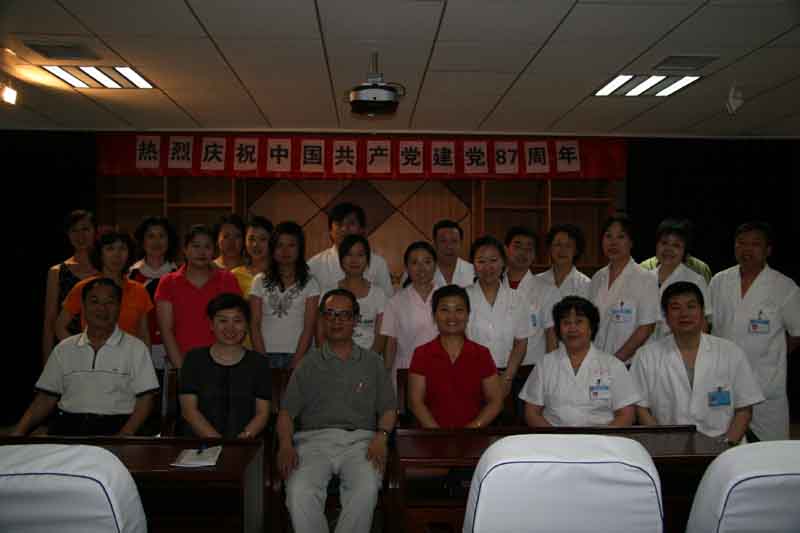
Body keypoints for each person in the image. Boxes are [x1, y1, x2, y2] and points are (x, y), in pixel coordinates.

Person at [277, 289, 396, 533]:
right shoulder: (308, 364)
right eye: (330, 314)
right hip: (313, 442)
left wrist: (382, 437)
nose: (336, 321)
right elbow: (286, 413)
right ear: (321, 318)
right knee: (299, 491)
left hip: (361, 443)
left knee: (366, 489)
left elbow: (388, 409)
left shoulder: (373, 362)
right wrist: (285, 445)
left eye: (344, 315)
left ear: (355, 320)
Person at [13, 278, 158, 436]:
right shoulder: (64, 349)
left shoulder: (136, 349)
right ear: (83, 306)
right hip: (67, 428)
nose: (102, 308)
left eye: (109, 302)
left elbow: (146, 400)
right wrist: (17, 434)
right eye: (94, 302)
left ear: (119, 307)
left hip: (116, 428)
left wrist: (124, 435)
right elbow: (45, 399)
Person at [631, 282, 763, 443]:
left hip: (724, 445)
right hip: (669, 446)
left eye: (691, 306)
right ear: (665, 316)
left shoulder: (731, 352)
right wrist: (662, 442)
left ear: (702, 312)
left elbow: (744, 409)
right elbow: (641, 408)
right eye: (675, 308)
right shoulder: (646, 356)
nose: (684, 314)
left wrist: (727, 447)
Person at [709, 222, 800, 441]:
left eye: (755, 244)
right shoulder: (719, 281)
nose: (747, 249)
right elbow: (708, 325)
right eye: (741, 243)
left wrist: (771, 358)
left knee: (770, 451)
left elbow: (796, 334)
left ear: (768, 250)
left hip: (765, 387)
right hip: (723, 384)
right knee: (721, 446)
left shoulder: (784, 287)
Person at [520, 296, 640, 427]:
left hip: (601, 437)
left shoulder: (613, 365)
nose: (572, 328)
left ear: (591, 327)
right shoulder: (545, 364)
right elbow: (531, 413)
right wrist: (555, 437)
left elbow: (627, 415)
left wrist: (600, 438)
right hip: (555, 436)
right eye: (566, 323)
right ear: (559, 329)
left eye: (579, 322)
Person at [408, 284, 503, 428]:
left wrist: (471, 429)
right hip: (432, 436)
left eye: (459, 310)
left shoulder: (482, 354)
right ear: (434, 315)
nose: (452, 317)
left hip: (474, 435)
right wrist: (438, 434)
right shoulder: (421, 354)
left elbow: (496, 401)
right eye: (444, 310)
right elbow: (416, 402)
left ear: (468, 315)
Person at [179, 293, 271, 439]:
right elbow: (189, 411)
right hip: (200, 444)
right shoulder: (194, 359)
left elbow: (262, 413)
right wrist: (219, 443)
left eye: (237, 321)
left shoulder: (259, 363)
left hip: (245, 444)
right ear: (211, 324)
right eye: (223, 321)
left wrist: (241, 440)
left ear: (247, 325)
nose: (230, 328)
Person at [155, 225, 241, 368]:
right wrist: (182, 369)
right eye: (196, 246)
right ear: (185, 249)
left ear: (214, 251)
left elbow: (236, 325)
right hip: (182, 362)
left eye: (207, 247)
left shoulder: (227, 280)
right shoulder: (168, 283)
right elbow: (166, 331)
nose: (202, 252)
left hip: (224, 362)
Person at [57, 231, 151, 345]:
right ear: (100, 254)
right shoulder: (83, 287)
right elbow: (59, 327)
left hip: (130, 354)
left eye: (122, 248)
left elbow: (144, 334)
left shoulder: (139, 290)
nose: (117, 255)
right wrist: (81, 351)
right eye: (110, 248)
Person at [466, 235, 533, 396]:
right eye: (481, 261)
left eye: (493, 260)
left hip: (506, 376)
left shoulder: (518, 298)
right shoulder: (462, 297)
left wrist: (507, 378)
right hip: (470, 376)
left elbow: (521, 343)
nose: (488, 267)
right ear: (473, 264)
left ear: (503, 262)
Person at [588, 214, 660, 364]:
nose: (613, 242)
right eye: (608, 236)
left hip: (629, 364)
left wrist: (615, 361)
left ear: (631, 242)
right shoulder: (597, 278)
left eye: (621, 237)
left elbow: (646, 328)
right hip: (597, 362)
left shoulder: (646, 278)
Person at [250, 221, 319, 368]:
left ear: (300, 248)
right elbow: (254, 324)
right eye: (279, 245)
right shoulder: (259, 281)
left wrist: (297, 361)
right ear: (272, 248)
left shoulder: (311, 283)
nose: (285, 251)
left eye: (291, 245)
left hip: (298, 354)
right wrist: (262, 360)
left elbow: (309, 326)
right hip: (265, 354)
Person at [381, 242, 440, 385]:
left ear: (435, 265)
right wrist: (385, 378)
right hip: (406, 371)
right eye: (414, 263)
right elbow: (391, 344)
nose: (421, 268)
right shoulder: (395, 302)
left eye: (427, 262)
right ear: (406, 268)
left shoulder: (447, 297)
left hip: (441, 369)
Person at [42, 210, 97, 363]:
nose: (80, 236)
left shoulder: (107, 268)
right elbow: (50, 321)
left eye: (85, 229)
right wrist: (48, 362)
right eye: (74, 230)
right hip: (66, 348)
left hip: (103, 347)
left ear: (95, 231)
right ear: (68, 234)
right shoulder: (57, 272)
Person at [317, 234, 388, 353]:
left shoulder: (379, 294)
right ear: (341, 259)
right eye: (349, 254)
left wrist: (368, 360)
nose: (354, 260)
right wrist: (330, 359)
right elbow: (321, 334)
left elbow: (381, 336)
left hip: (368, 358)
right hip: (333, 359)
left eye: (360, 255)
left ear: (368, 259)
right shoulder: (328, 292)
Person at [307, 202, 393, 297]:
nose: (344, 229)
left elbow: (389, 301)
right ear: (330, 231)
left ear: (362, 229)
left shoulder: (378, 263)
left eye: (351, 223)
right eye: (339, 224)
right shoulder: (314, 265)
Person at [503, 226, 560, 369]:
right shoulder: (494, 285)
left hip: (532, 368)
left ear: (534, 255)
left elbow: (551, 334)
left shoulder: (547, 290)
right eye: (517, 246)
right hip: (496, 365)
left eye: (529, 248)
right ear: (506, 249)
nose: (523, 252)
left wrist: (550, 370)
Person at [130, 216, 178, 376]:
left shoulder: (180, 274)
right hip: (138, 348)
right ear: (142, 241)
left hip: (174, 349)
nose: (156, 241)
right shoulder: (130, 275)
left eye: (161, 236)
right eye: (150, 236)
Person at [649, 218, 711, 340]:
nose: (668, 249)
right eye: (664, 243)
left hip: (679, 346)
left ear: (684, 251)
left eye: (676, 245)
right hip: (644, 348)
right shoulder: (645, 278)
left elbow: (702, 325)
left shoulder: (696, 280)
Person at [400, 219, 474, 288]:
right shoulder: (415, 272)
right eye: (443, 241)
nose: (449, 246)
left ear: (461, 244)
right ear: (434, 244)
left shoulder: (472, 271)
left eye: (454, 241)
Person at [536, 223, 591, 299]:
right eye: (558, 244)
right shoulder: (537, 281)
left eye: (568, 245)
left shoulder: (586, 284)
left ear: (576, 250)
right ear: (550, 248)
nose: (562, 250)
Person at [231, 215, 273, 297]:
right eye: (251, 239)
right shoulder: (235, 275)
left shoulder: (281, 273)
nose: (255, 244)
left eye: (262, 239)